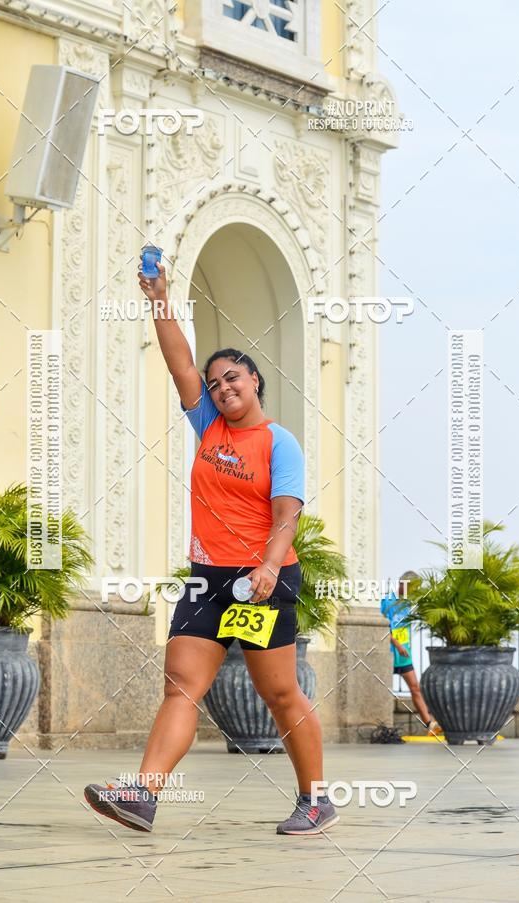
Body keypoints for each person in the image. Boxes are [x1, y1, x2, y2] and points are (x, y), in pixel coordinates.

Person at [83, 256, 339, 836]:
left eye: (234, 377)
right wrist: (159, 298)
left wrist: (271, 567)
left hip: (260, 579)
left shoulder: (278, 442)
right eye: (216, 380)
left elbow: (286, 514)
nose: (223, 386)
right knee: (181, 685)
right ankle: (142, 796)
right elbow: (178, 362)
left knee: (277, 692)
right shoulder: (208, 427)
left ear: (256, 382)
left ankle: (316, 798)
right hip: (207, 578)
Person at [380, 571, 441, 737]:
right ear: (402, 584)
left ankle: (429, 724)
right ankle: (383, 725)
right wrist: (397, 644)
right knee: (384, 689)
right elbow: (381, 627)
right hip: (389, 652)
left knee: (415, 688)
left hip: (404, 655)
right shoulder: (387, 601)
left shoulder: (409, 604)